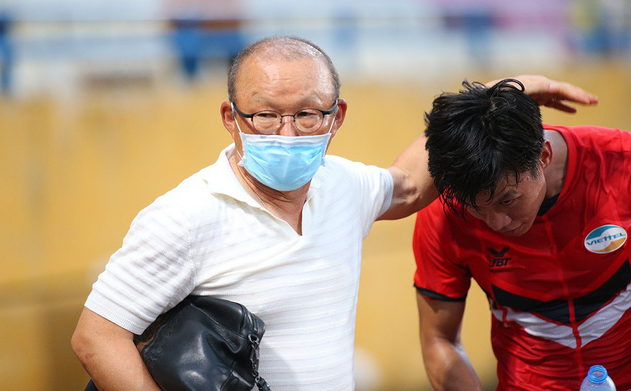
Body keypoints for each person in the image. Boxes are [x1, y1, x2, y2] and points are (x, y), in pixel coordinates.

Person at [71, 36, 596, 391]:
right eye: (264, 116)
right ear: (230, 118)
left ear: (336, 115)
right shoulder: (185, 215)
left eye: (306, 114)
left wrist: (508, 92)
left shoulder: (343, 185)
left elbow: (412, 182)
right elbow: (96, 336)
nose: (286, 133)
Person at [413, 79, 630, 391]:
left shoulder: (621, 165)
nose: (497, 223)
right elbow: (438, 338)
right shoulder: (444, 215)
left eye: (507, 200)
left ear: (543, 156)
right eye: (477, 208)